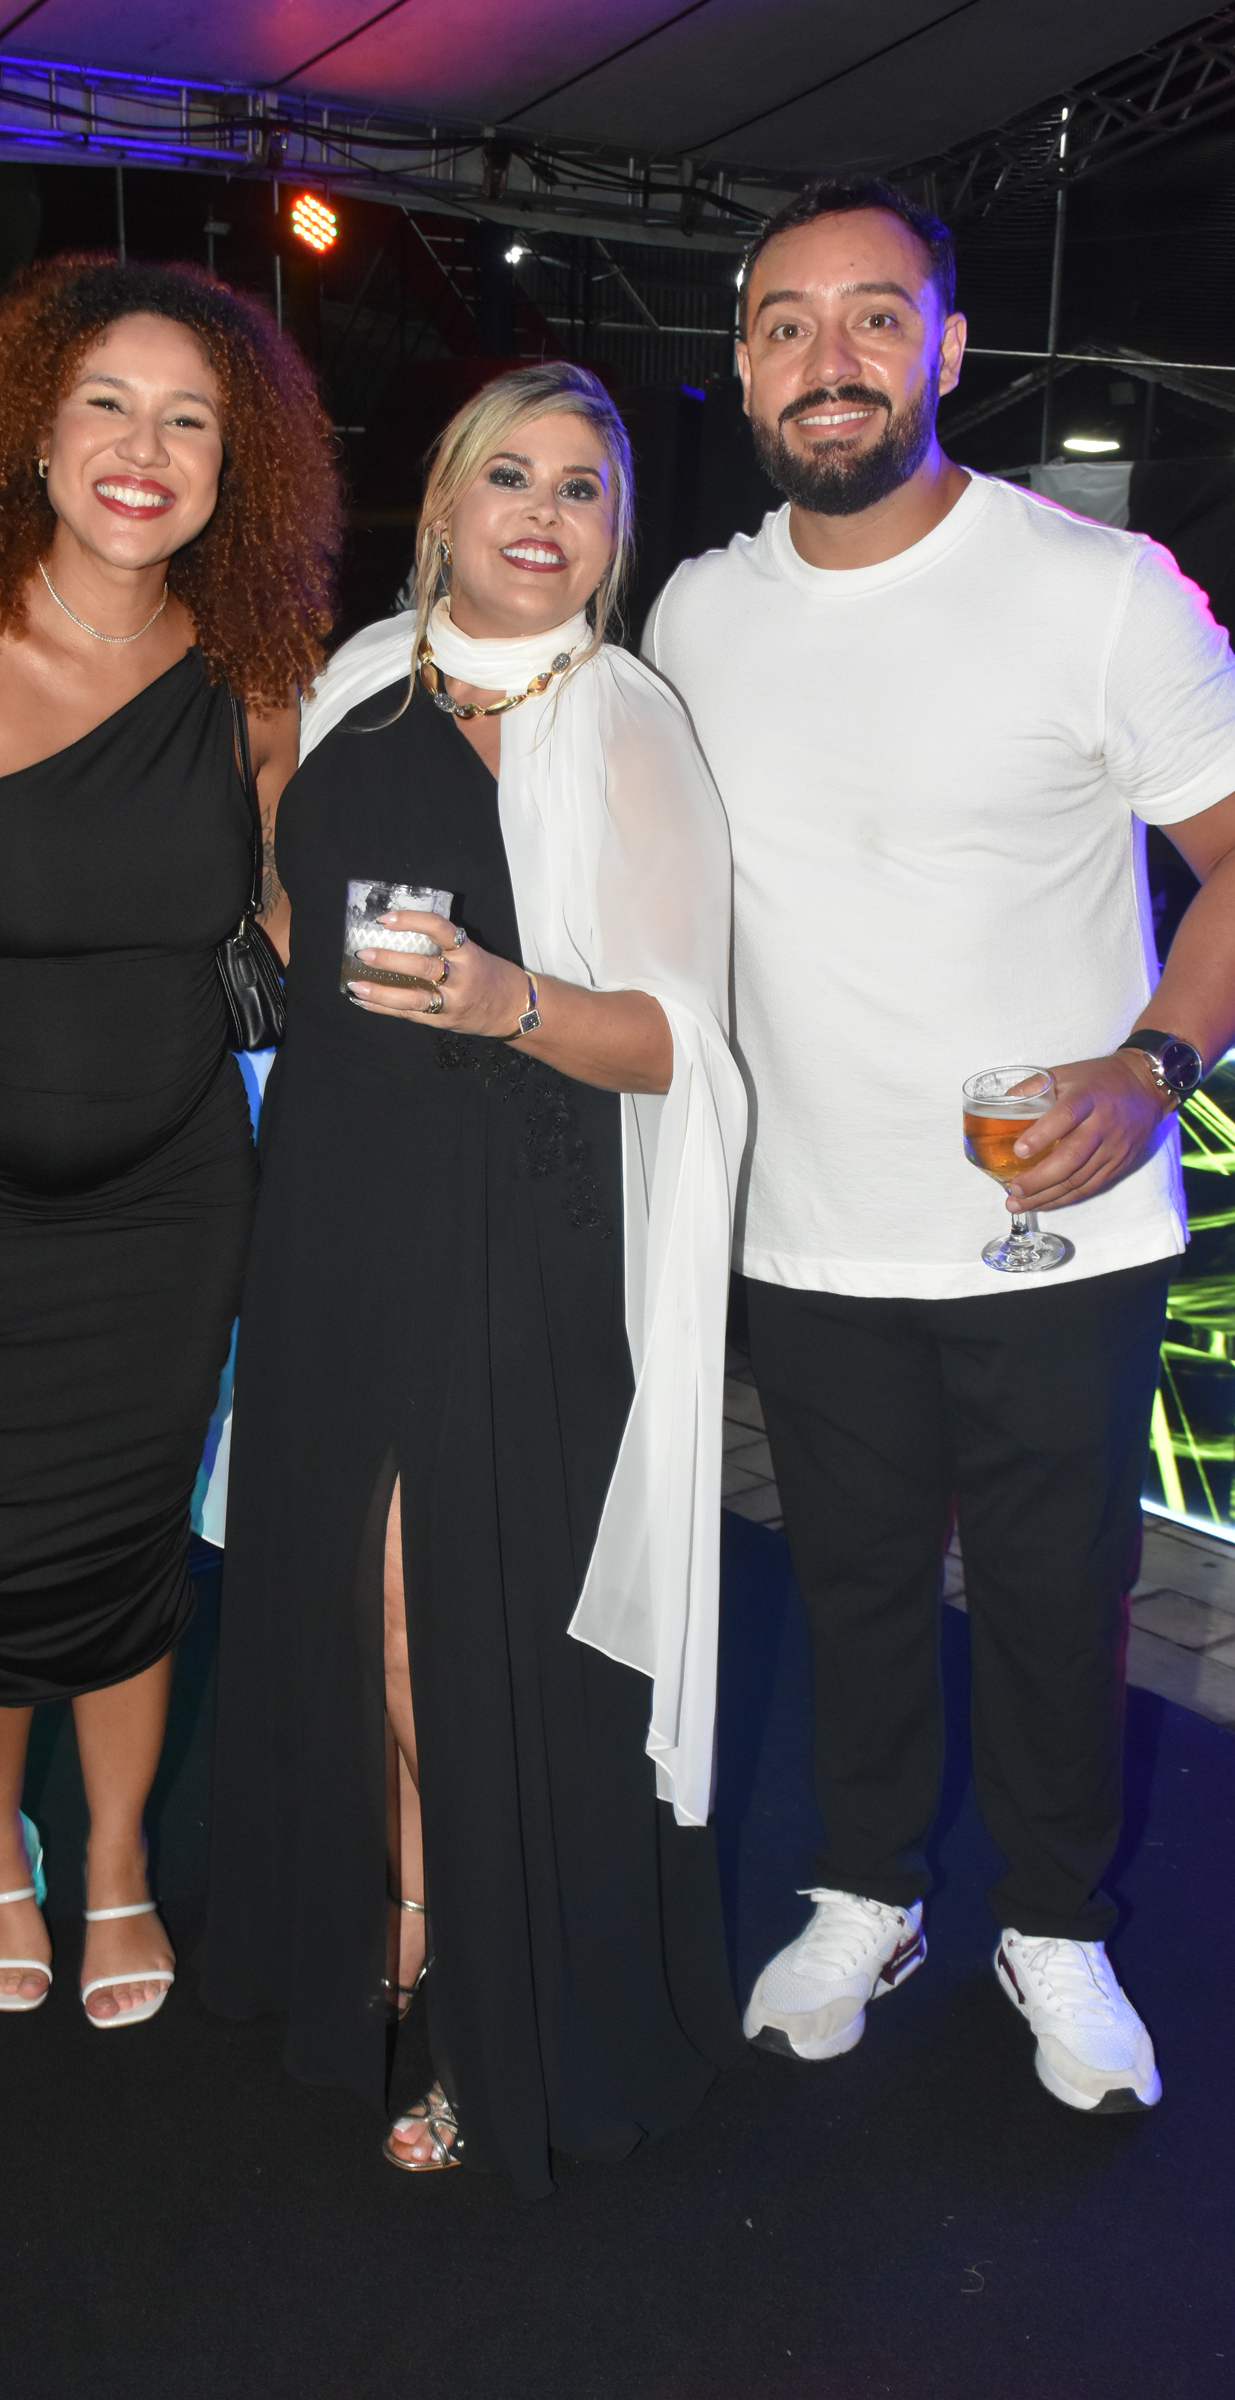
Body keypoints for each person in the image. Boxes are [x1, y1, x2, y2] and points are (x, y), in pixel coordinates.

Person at [646, 175, 1235, 2113]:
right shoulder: (696, 613)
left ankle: (1052, 1926)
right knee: (853, 1590)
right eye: (787, 323)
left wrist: (1153, 1063)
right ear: (743, 366)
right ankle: (867, 1893)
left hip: (1054, 1230)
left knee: (1060, 1602)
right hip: (810, 1228)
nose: (830, 358)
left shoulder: (1097, 590)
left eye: (874, 318)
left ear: (948, 350)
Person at [200, 361, 747, 2195]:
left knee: (454, 1616)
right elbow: (296, 916)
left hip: (519, 1227)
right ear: (441, 504)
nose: (543, 512)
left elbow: (680, 1046)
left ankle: (497, 2005)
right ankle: (402, 1918)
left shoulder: (629, 724)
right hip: (334, 1207)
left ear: (615, 534)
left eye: (583, 488)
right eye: (510, 475)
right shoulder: (358, 681)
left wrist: (512, 999)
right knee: (341, 1596)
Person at [0, 257, 336, 2025]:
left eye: (190, 421)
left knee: (126, 1544)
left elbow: (290, 889)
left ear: (232, 470)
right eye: (107, 403)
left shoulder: (252, 674)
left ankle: (113, 1863)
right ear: (32, 437)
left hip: (172, 1195)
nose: (143, 448)